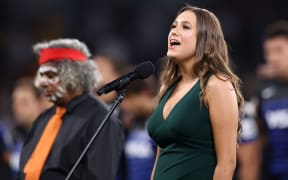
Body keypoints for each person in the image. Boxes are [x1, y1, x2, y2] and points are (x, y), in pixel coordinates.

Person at [147, 5, 243, 180]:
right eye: (173, 26)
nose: (174, 32)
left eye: (185, 27)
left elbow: (227, 163)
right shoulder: (168, 86)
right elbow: (161, 158)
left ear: (205, 39)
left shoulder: (217, 85)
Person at [18, 38, 123, 180]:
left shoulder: (101, 120)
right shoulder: (43, 119)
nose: (42, 83)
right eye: (41, 75)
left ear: (74, 76)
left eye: (50, 75)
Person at [255, 20, 288, 180]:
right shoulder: (263, 91)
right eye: (268, 52)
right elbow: (260, 137)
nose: (272, 58)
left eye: (279, 50)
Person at [10, 77, 51, 177]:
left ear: (40, 103)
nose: (17, 108)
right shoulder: (12, 136)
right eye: (15, 103)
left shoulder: (52, 136)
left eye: (24, 103)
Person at [120, 77, 158, 180]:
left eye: (129, 98)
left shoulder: (162, 121)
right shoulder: (131, 123)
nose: (125, 105)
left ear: (144, 93)